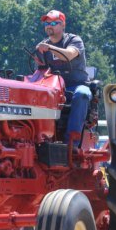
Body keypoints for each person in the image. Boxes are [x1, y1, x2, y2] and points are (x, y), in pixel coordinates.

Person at [35, 10, 89, 144]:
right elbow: (41, 71)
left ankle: (72, 142)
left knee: (82, 94)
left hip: (75, 86)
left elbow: (69, 55)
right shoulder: (43, 46)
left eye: (53, 22)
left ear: (63, 25)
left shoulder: (74, 40)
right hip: (53, 88)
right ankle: (40, 140)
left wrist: (49, 48)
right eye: (47, 23)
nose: (49, 26)